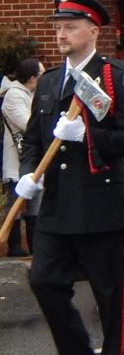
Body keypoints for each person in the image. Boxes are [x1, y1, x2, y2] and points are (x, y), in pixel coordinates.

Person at [15, 0, 124, 355]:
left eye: (70, 26)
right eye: (58, 27)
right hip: (57, 203)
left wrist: (90, 136)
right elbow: (34, 139)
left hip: (101, 204)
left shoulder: (116, 78)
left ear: (93, 30)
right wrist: (27, 176)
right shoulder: (52, 80)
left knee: (110, 297)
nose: (61, 33)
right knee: (44, 281)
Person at [3, 57, 44, 256]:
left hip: (32, 157)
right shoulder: (14, 95)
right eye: (41, 74)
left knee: (35, 200)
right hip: (17, 158)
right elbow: (29, 125)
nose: (43, 78)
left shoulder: (31, 93)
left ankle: (35, 246)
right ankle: (14, 245)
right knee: (16, 201)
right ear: (32, 77)